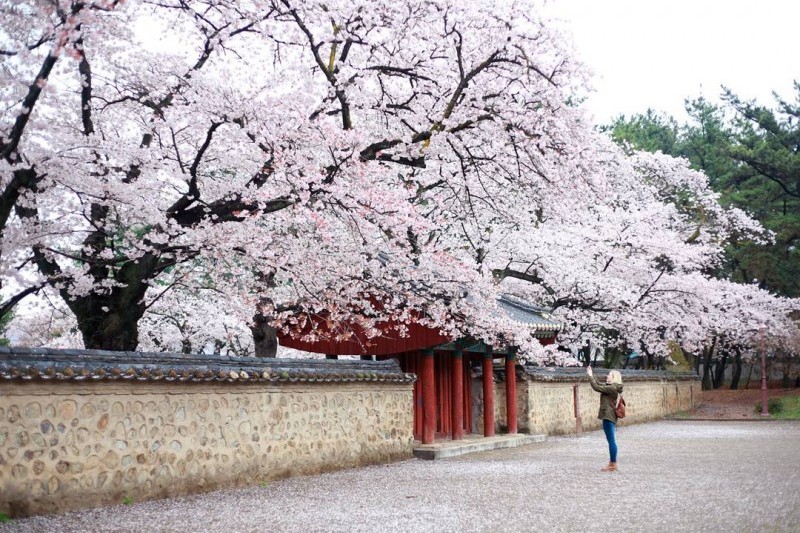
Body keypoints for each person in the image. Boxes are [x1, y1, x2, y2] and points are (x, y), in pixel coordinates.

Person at [586, 365, 623, 472]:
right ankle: (612, 463)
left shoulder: (612, 388)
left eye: (609, 375)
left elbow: (596, 387)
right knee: (611, 440)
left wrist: (590, 376)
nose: (607, 376)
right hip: (609, 415)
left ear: (614, 377)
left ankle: (613, 464)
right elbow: (599, 385)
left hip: (608, 415)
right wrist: (591, 374)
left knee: (611, 440)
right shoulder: (612, 387)